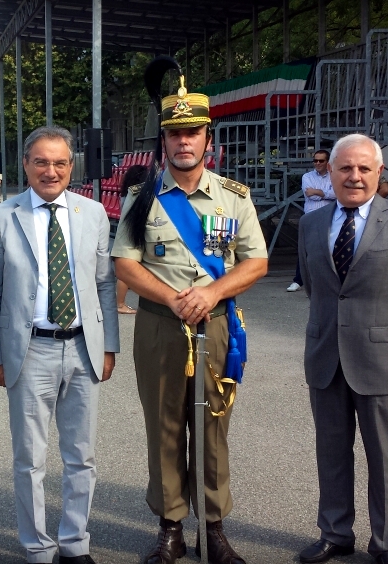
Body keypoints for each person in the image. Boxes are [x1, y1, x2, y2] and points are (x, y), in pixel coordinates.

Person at [112, 75, 268, 564]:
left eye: (193, 133)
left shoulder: (233, 197)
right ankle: (171, 526)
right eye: (175, 134)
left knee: (211, 428)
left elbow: (256, 261)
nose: (184, 141)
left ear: (207, 139)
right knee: (163, 426)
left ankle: (214, 529)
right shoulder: (143, 198)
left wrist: (212, 292)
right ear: (164, 141)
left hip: (216, 325)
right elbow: (125, 262)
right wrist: (172, 298)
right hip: (160, 325)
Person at [0, 125, 120, 564]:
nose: (50, 170)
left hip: (82, 348)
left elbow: (104, 284)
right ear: (25, 165)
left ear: (71, 166)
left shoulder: (93, 213)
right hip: (30, 351)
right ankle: (37, 548)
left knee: (81, 456)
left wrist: (109, 345)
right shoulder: (2, 217)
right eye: (41, 161)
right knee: (29, 459)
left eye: (60, 162)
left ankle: (75, 544)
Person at [296, 134, 388, 564]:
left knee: (386, 458)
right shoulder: (310, 224)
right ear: (331, 173)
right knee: (331, 452)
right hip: (326, 357)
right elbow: (317, 289)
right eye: (345, 168)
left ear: (379, 173)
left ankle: (386, 544)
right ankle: (335, 534)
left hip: (385, 361)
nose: (354, 176)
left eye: (363, 169)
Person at [288, 150, 335, 292]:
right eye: (315, 161)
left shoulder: (334, 177)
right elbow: (310, 194)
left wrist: (318, 192)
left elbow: (337, 194)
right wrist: (326, 194)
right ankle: (298, 280)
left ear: (328, 162)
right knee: (306, 249)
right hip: (311, 218)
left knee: (329, 249)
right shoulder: (307, 176)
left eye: (321, 161)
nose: (317, 163)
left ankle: (326, 281)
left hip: (329, 218)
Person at [116, 164, 149, 314]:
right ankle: (120, 303)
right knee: (127, 269)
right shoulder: (136, 195)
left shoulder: (125, 193)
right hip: (133, 231)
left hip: (128, 229)